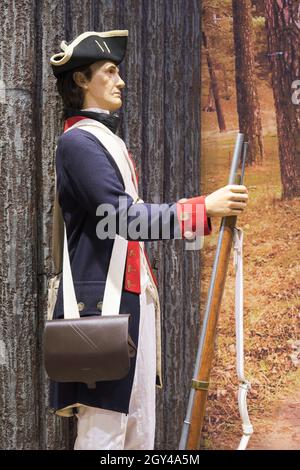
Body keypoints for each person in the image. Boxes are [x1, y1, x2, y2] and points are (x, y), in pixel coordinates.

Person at [49, 29, 248, 450]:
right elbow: (121, 218)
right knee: (104, 434)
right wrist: (201, 209)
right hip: (100, 310)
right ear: (81, 80)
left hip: (131, 303)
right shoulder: (79, 142)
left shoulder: (107, 141)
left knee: (139, 429)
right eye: (109, 71)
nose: (120, 81)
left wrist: (203, 219)